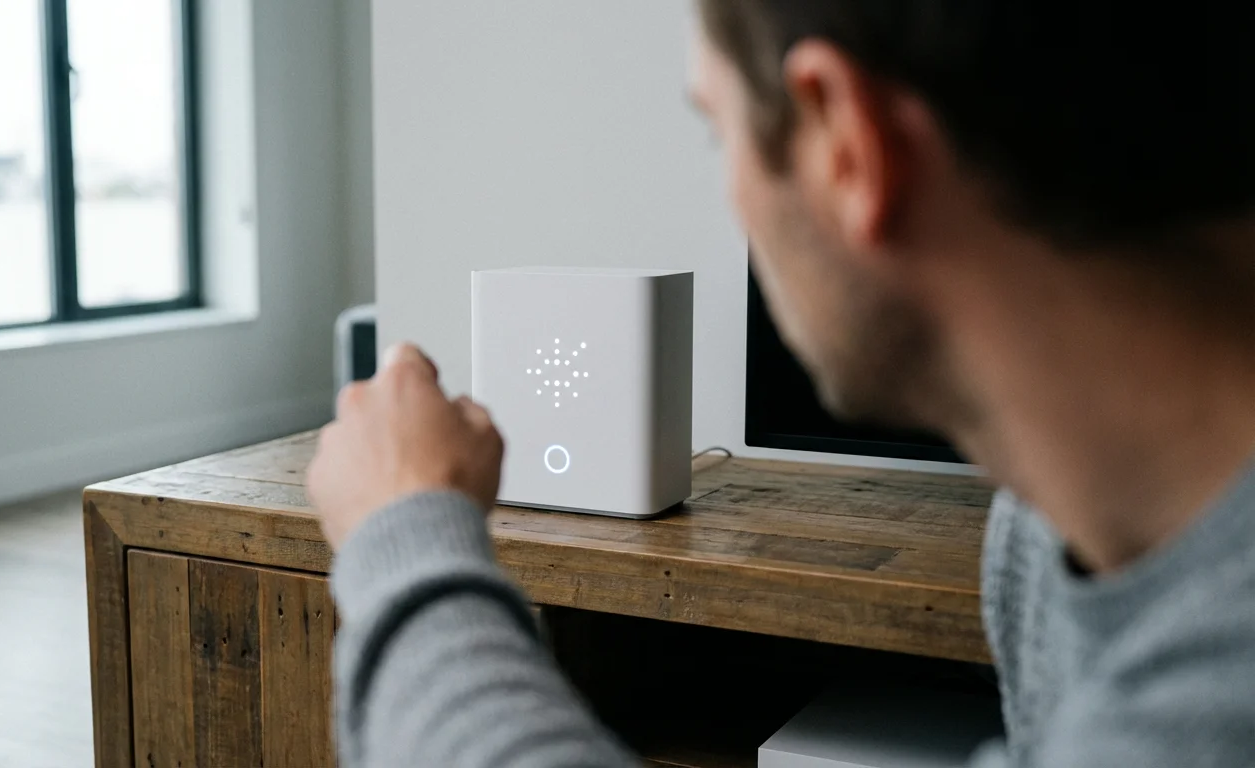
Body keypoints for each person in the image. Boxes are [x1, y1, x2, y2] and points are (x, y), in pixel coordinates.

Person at [305, 1, 1255, 765]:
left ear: (845, 141)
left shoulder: (1208, 702)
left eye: (717, 131)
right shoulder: (1051, 527)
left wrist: (407, 541)